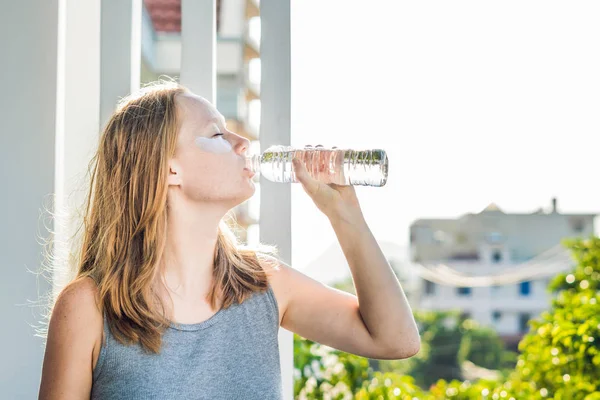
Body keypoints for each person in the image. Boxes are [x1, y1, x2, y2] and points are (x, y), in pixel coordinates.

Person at [38, 81, 420, 399]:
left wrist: (345, 214)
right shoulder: (89, 307)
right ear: (169, 168)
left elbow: (395, 340)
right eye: (217, 134)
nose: (242, 143)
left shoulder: (264, 283)